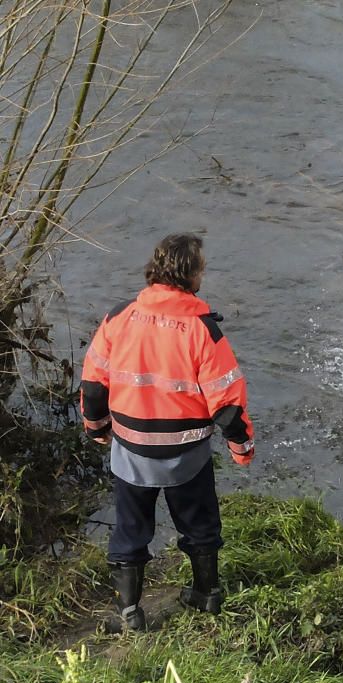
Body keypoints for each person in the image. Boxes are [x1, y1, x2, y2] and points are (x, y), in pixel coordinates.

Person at [80, 234, 255, 631]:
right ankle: (206, 595)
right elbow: (227, 404)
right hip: (187, 455)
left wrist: (98, 429)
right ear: (191, 275)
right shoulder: (203, 331)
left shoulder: (119, 316)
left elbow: (93, 384)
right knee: (200, 523)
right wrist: (241, 449)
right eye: (202, 268)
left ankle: (129, 614)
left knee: (130, 527)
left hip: (131, 450)